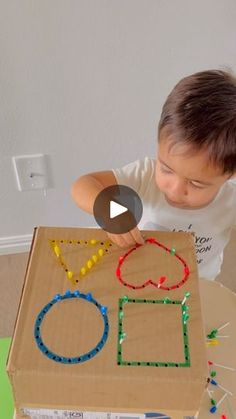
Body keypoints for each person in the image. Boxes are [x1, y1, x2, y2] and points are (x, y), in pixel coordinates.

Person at [71, 69, 236, 281]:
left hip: (197, 286)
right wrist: (111, 211)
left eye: (196, 183)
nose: (175, 189)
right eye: (166, 169)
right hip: (137, 276)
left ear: (230, 174)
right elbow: (83, 185)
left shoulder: (230, 202)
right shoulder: (145, 175)